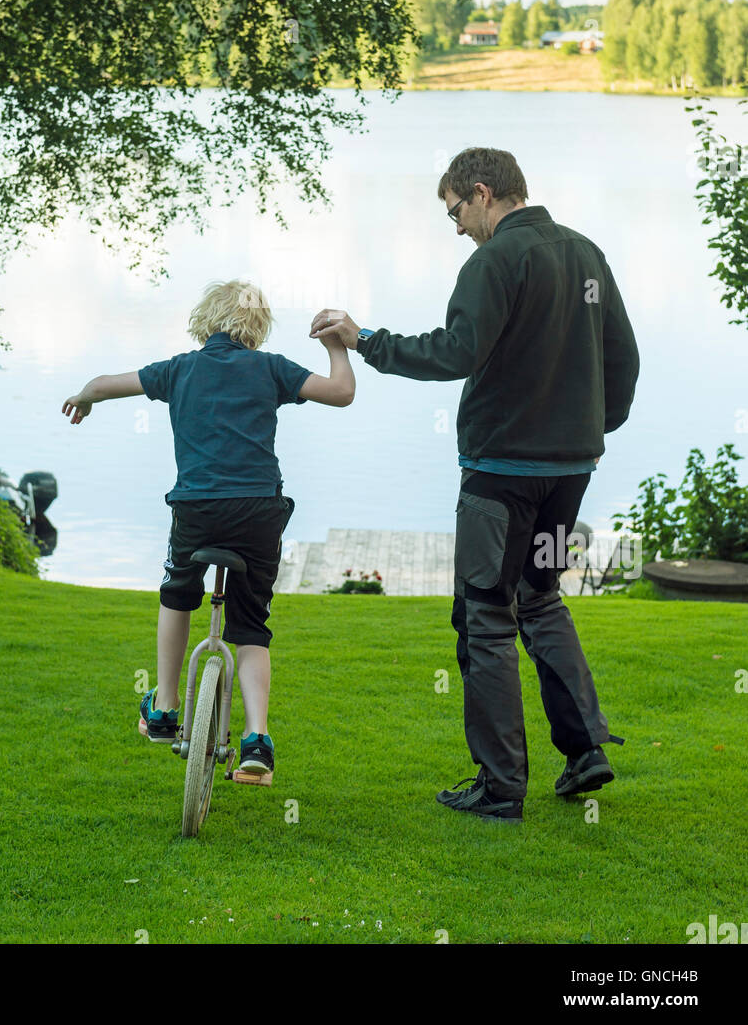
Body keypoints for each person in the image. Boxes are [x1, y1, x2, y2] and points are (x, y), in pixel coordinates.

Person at [309, 146, 639, 823]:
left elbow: (454, 353)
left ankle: (500, 787)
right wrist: (589, 431)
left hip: (500, 475)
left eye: (455, 211)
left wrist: (366, 338)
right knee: (541, 600)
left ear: (482, 193)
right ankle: (584, 751)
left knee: (486, 614)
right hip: (570, 472)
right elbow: (623, 360)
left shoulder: (493, 261)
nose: (456, 226)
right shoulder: (586, 255)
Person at [62, 278, 355, 782]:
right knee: (252, 627)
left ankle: (165, 708)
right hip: (258, 512)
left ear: (206, 319)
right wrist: (334, 346)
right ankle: (256, 742)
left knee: (177, 593)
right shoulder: (272, 368)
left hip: (197, 510)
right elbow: (342, 393)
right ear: (257, 325)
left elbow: (108, 382)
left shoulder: (180, 369)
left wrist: (84, 398)